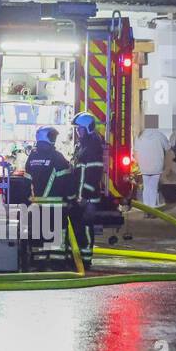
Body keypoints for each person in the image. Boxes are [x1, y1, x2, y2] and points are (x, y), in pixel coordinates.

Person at [69, 112, 106, 266]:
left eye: (80, 129)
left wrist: (84, 196)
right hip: (82, 196)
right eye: (77, 129)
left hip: (88, 197)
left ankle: (86, 259)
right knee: (79, 227)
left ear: (87, 128)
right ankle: (80, 258)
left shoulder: (92, 146)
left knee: (85, 227)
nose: (78, 132)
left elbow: (91, 175)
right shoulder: (84, 145)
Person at [133, 124, 172, 208]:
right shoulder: (160, 135)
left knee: (146, 187)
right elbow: (168, 148)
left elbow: (135, 152)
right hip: (156, 165)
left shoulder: (139, 136)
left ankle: (146, 209)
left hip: (144, 165)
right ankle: (152, 208)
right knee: (153, 187)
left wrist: (139, 163)